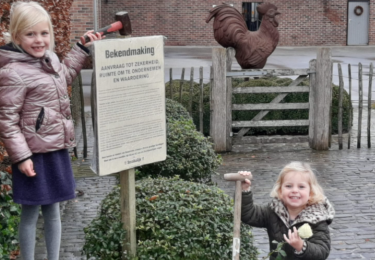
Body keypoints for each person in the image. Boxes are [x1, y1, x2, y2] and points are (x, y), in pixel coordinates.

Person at [0, 2, 104, 259]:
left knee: (54, 210)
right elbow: (7, 119)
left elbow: (64, 75)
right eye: (30, 34)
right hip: (32, 156)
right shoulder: (13, 72)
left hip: (56, 149)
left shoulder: (51, 60)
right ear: (16, 36)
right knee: (30, 213)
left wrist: (81, 49)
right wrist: (21, 157)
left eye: (44, 33)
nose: (39, 40)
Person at [239, 162, 335, 260]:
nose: (294, 190)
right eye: (289, 186)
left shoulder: (317, 218)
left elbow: (322, 251)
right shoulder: (273, 211)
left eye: (301, 187)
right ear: (280, 191)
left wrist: (301, 246)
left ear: (310, 193)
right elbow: (249, 214)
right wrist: (244, 190)